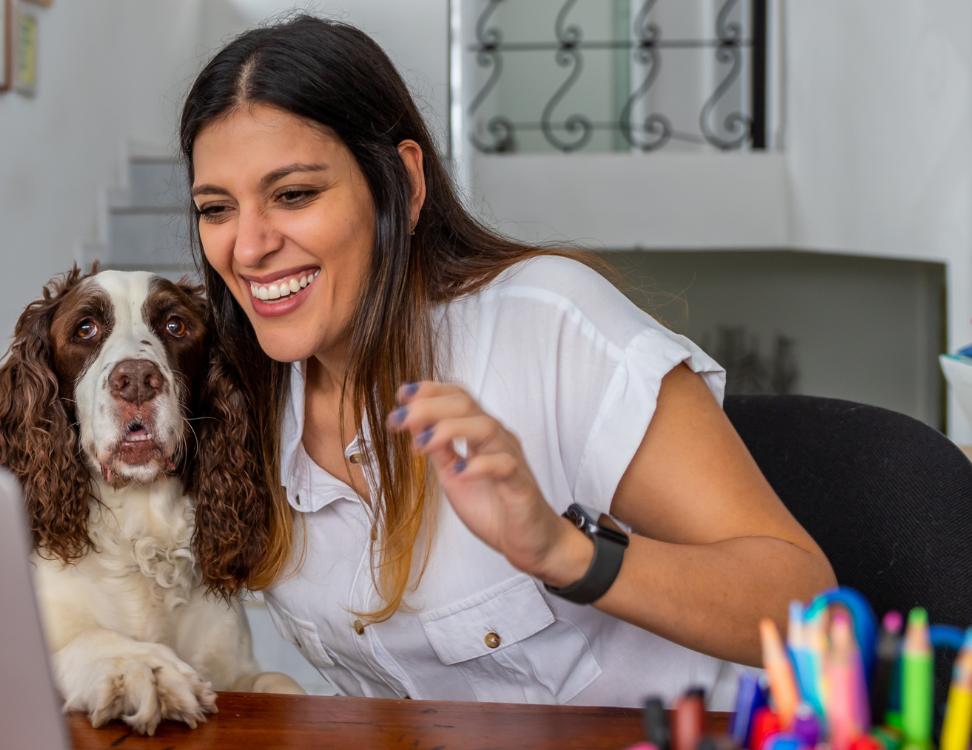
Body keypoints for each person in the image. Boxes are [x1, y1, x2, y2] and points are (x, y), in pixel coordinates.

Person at [178, 15, 836, 708]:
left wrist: (564, 551)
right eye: (216, 208)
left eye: (294, 195)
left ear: (401, 183)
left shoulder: (548, 324)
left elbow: (804, 606)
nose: (247, 249)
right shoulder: (232, 398)